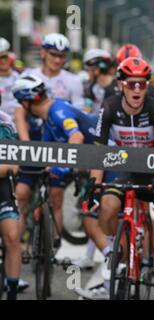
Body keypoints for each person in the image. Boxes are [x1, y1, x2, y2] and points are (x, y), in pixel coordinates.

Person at [80, 57, 154, 300]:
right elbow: (98, 153)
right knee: (107, 207)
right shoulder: (108, 107)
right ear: (121, 85)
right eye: (131, 84)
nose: (137, 89)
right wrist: (94, 189)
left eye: (142, 84)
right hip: (123, 166)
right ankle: (116, 254)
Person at [12, 74, 98, 238]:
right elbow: (46, 155)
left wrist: (63, 166)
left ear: (25, 102)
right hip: (91, 158)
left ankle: (53, 245)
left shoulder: (58, 110)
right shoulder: (48, 119)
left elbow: (77, 136)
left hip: (105, 157)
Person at [0, 95, 20, 300]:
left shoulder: (5, 123)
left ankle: (12, 294)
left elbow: (13, 165)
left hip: (3, 184)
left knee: (13, 237)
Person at [83, 48, 116, 116]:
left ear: (97, 70)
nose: (87, 73)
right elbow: (87, 110)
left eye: (88, 69)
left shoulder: (117, 86)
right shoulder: (91, 87)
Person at [0, 37, 21, 120]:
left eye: (5, 57)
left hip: (18, 124)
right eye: (0, 58)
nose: (3, 61)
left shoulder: (19, 77)